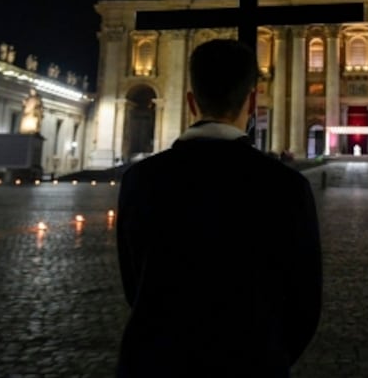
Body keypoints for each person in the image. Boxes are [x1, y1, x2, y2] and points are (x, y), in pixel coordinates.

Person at [116, 39, 322, 376]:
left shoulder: (139, 180)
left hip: (154, 364)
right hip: (252, 362)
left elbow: (133, 285)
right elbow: (304, 305)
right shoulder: (287, 187)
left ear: (190, 102)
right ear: (253, 101)